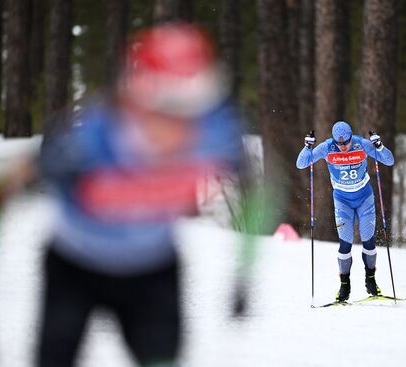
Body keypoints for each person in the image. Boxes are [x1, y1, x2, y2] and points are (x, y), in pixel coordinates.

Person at [33, 23, 252, 366]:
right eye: (164, 107)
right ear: (134, 95)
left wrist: (244, 275)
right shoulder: (90, 137)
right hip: (75, 267)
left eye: (192, 107)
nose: (178, 125)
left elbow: (264, 189)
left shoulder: (215, 132)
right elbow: (12, 185)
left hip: (153, 271)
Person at [296, 121, 395, 302]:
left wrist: (379, 146)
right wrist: (307, 147)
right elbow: (301, 163)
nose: (343, 147)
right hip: (342, 201)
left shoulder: (361, 144)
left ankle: (371, 280)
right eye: (339, 143)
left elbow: (389, 160)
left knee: (368, 239)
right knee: (345, 242)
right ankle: (344, 286)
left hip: (364, 198)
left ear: (351, 137)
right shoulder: (327, 147)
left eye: (346, 142)